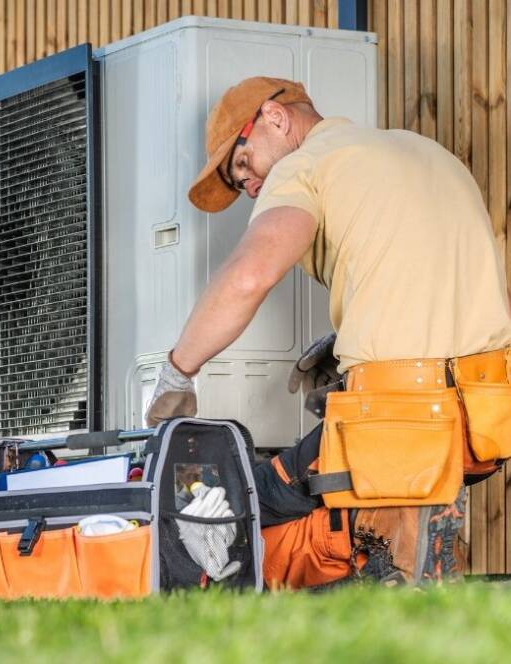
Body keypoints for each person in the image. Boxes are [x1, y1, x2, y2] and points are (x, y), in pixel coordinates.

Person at [145, 76, 511, 589]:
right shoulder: (422, 150)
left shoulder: (305, 165)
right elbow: (424, 274)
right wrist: (347, 348)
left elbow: (249, 278)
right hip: (480, 418)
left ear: (275, 117)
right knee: (408, 555)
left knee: (243, 498)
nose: (249, 187)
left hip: (396, 419)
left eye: (243, 165)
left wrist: (177, 373)